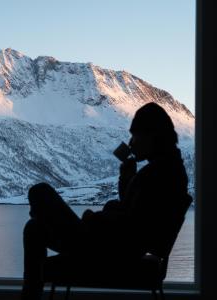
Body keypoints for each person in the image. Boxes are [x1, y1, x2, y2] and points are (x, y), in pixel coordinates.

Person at [21, 102, 191, 300]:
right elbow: (134, 212)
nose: (131, 143)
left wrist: (93, 219)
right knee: (34, 228)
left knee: (40, 192)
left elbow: (133, 226)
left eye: (135, 135)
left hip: (107, 251)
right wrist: (127, 179)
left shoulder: (159, 174)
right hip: (113, 247)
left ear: (151, 136)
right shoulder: (168, 169)